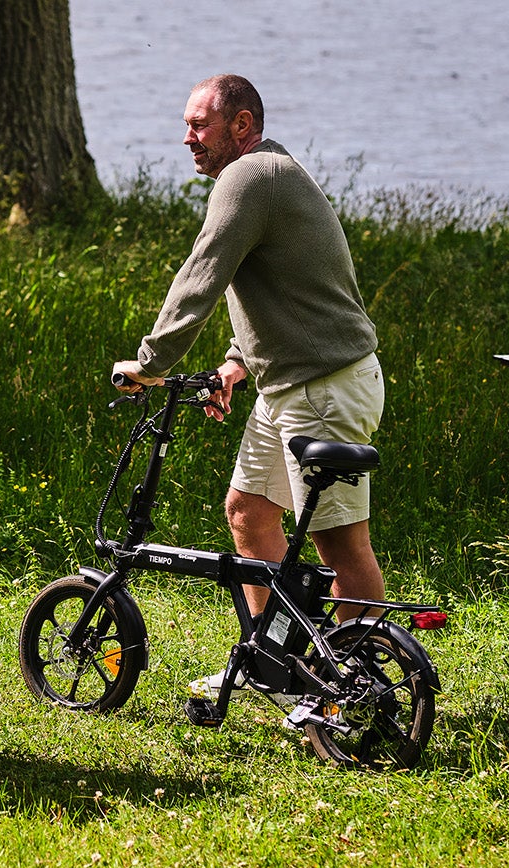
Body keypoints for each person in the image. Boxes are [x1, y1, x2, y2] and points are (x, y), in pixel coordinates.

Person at [112, 74, 385, 699]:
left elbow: (202, 275)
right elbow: (273, 279)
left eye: (199, 125)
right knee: (248, 511)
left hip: (322, 386)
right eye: (185, 125)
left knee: (342, 546)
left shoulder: (250, 178)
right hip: (288, 384)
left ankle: (360, 686)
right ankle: (276, 661)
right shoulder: (267, 175)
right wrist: (238, 359)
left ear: (241, 124)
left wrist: (150, 363)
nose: (187, 138)